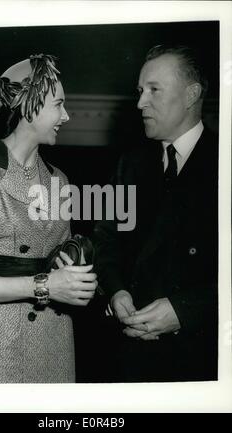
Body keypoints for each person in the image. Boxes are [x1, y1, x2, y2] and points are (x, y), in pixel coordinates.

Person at [0, 54, 98, 383]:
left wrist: (76, 276)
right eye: (59, 104)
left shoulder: (60, 182)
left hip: (56, 343)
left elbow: (60, 264)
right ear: (30, 105)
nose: (66, 116)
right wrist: (45, 285)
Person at [94, 45, 218, 382]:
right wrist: (117, 292)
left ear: (191, 94)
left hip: (204, 364)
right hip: (131, 360)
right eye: (139, 91)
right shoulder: (127, 165)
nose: (140, 103)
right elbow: (105, 243)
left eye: (154, 90)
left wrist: (186, 310)